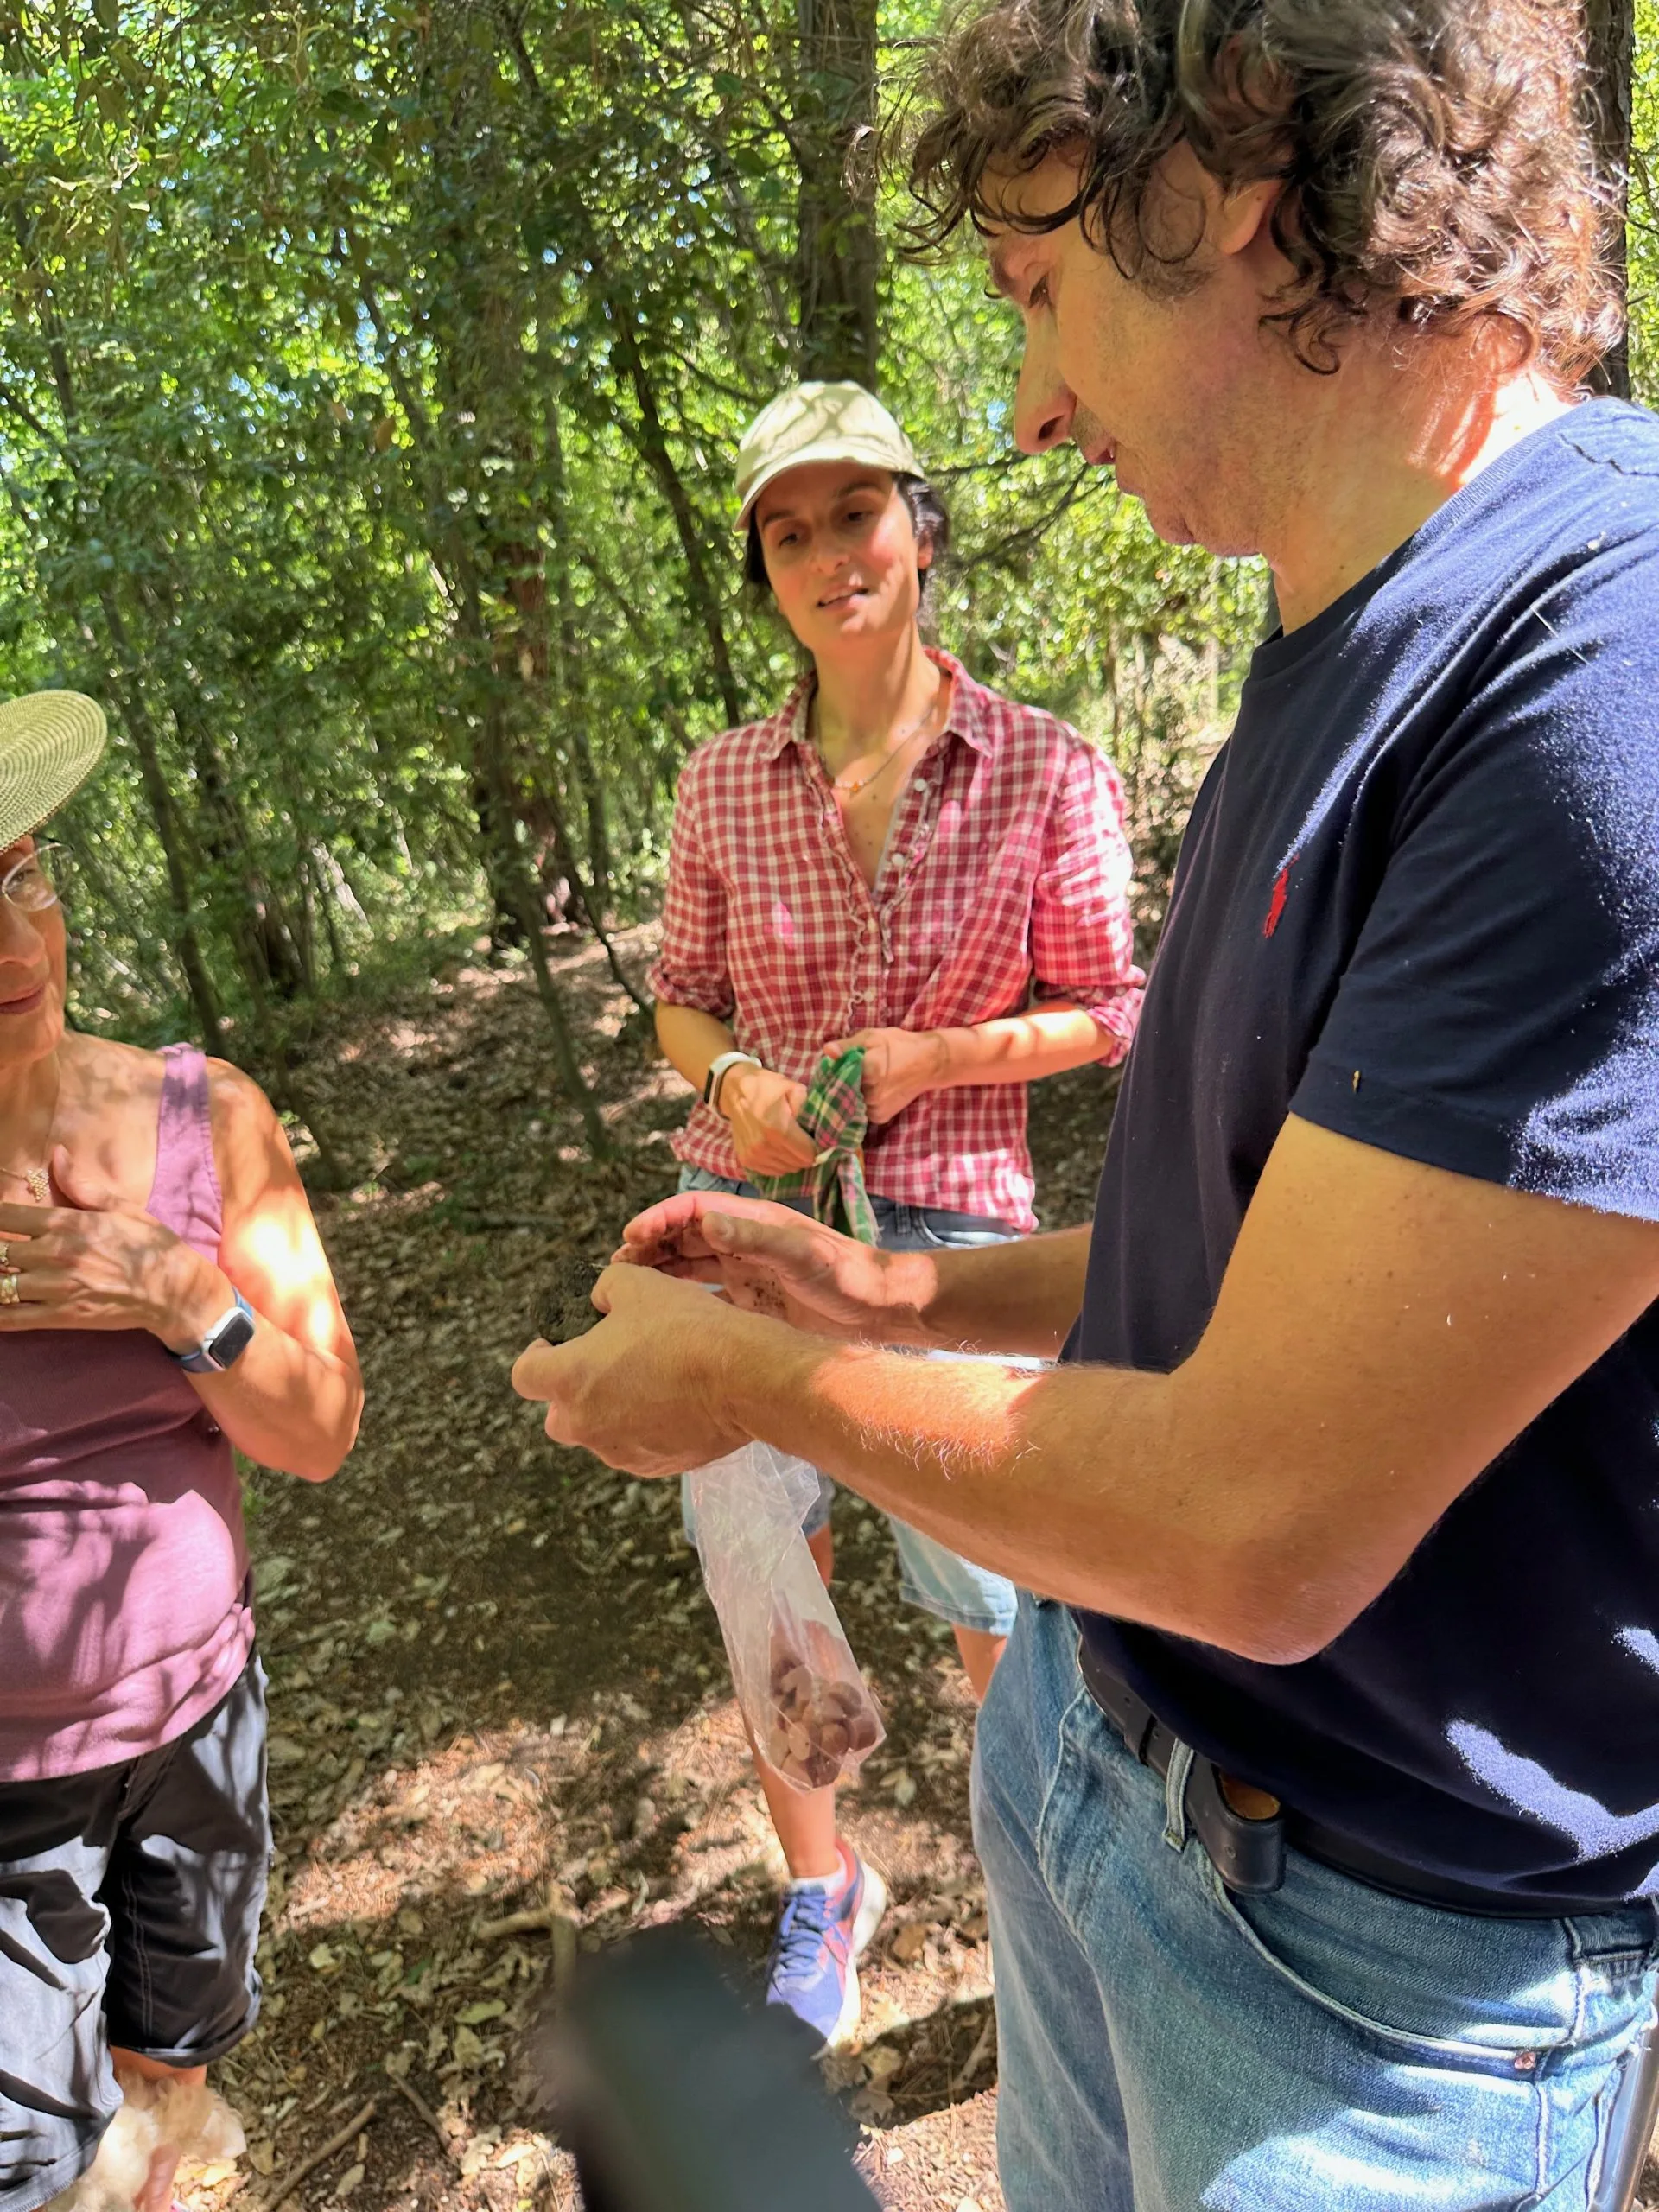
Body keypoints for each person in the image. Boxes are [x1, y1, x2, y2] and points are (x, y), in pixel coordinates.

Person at [514, 1, 1659, 2204]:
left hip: (1374, 1978)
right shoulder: (1346, 634)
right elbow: (1250, 1234)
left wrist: (754, 1377)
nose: (1033, 403)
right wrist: (888, 1293)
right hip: (1101, 1763)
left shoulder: (1597, 666)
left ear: (1228, 173)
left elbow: (1260, 1516)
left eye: (1039, 288)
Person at [647, 378, 1143, 2045]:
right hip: (747, 1219)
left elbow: (1112, 1008)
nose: (828, 555)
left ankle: (1051, 1917)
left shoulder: (1046, 766)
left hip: (954, 1239)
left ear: (918, 529)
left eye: (854, 513)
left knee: (1000, 1602)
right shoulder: (724, 781)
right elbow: (682, 999)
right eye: (788, 533)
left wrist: (941, 1053)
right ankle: (825, 1885)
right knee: (761, 1569)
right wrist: (739, 1087)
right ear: (765, 574)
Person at [0, 694, 363, 2212]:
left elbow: (321, 1431)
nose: (13, 940)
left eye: (21, 874)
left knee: (168, 2074)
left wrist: (175, 1292)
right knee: (28, 2161)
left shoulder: (203, 1115)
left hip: (198, 1729)